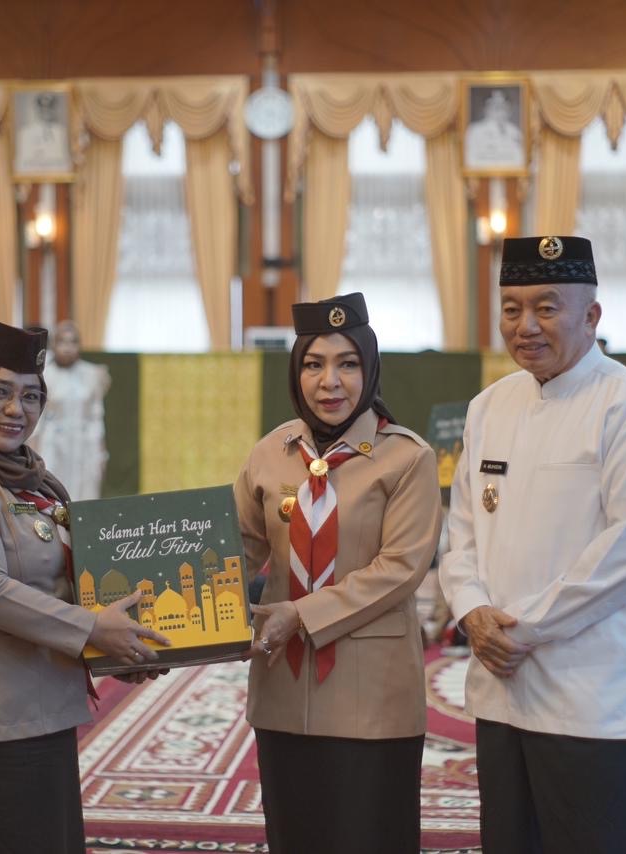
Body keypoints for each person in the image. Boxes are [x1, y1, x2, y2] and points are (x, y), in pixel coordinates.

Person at [440, 236, 626, 853]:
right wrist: (472, 610)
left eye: (547, 308)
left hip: (594, 694)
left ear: (591, 315)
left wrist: (521, 630)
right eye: (512, 309)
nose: (526, 325)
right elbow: (460, 531)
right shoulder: (488, 407)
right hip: (503, 690)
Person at [0, 314, 169, 853]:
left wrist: (119, 647)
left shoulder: (32, 480)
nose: (15, 409)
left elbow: (62, 589)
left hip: (41, 711)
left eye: (30, 396)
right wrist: (93, 629)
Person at [232, 292, 440, 854]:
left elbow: (400, 569)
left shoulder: (407, 458)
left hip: (371, 694)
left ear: (369, 369)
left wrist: (300, 615)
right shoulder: (271, 452)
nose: (329, 382)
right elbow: (234, 552)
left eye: (347, 363)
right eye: (313, 364)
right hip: (283, 689)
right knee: (295, 836)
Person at [28, 320, 110, 500]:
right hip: (53, 445)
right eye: (62, 342)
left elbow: (96, 417)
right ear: (54, 344)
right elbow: (38, 420)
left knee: (85, 495)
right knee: (54, 496)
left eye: (73, 342)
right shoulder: (45, 375)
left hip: (85, 446)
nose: (67, 348)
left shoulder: (91, 374)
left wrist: (101, 454)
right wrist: (33, 454)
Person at [464, 88, 524, 170]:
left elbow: (521, 160)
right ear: (486, 109)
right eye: (494, 106)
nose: (499, 110)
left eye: (503, 106)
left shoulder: (515, 132)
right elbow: (470, 161)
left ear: (509, 109)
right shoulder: (474, 131)